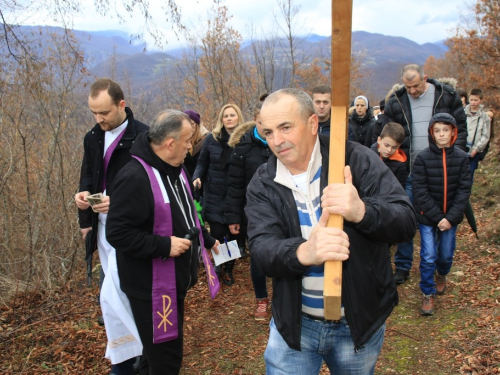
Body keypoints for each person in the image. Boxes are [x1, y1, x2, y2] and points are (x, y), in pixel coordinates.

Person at [245, 89, 416, 374]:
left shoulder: (354, 159)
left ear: (312, 123)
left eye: (286, 127)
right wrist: (304, 252)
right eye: (268, 132)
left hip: (358, 324)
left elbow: (406, 221)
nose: (277, 141)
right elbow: (261, 249)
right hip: (295, 327)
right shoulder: (263, 182)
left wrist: (362, 211)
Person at [106, 110, 220, 374]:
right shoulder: (135, 178)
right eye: (187, 141)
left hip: (173, 282)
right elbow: (118, 233)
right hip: (152, 289)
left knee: (154, 355)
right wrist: (163, 245)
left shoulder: (173, 169)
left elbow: (185, 212)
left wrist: (206, 238)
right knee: (166, 361)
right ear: (170, 144)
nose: (191, 147)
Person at [74, 78, 148, 375]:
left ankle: (141, 352)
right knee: (113, 291)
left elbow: (150, 187)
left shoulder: (143, 136)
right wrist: (83, 207)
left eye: (103, 112)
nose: (99, 119)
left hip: (131, 227)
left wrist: (117, 202)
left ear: (121, 104)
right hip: (100, 225)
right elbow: (87, 176)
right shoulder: (92, 136)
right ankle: (127, 353)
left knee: (123, 289)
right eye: (94, 113)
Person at [382, 64, 467, 285]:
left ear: (425, 79)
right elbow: (386, 129)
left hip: (443, 168)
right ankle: (403, 265)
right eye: (408, 86)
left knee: (439, 217)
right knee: (406, 218)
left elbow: (462, 127)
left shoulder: (445, 96)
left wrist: (459, 157)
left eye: (416, 86)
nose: (412, 91)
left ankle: (438, 265)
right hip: (408, 169)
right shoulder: (397, 101)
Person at [412, 113, 472, 315]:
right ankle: (427, 292)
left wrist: (450, 218)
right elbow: (420, 191)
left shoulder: (462, 158)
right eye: (437, 130)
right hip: (428, 217)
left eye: (445, 130)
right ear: (431, 133)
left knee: (445, 254)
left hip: (451, 217)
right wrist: (438, 218)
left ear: (453, 132)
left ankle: (442, 273)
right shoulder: (423, 158)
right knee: (428, 255)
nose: (441, 134)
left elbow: (464, 191)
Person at [225, 102, 272, 320]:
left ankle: (285, 298)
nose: (266, 126)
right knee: (257, 257)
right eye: (262, 121)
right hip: (252, 212)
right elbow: (234, 185)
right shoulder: (242, 149)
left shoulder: (282, 144)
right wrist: (233, 216)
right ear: (255, 120)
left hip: (282, 210)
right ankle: (261, 299)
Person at [193, 104, 245, 285]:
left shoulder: (244, 140)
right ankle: (219, 265)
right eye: (226, 116)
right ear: (221, 119)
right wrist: (197, 177)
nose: (229, 118)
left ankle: (229, 268)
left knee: (232, 236)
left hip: (235, 195)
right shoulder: (211, 139)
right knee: (217, 233)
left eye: (232, 115)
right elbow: (202, 162)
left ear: (238, 117)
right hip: (214, 194)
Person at [371, 122, 407, 189]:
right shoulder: (369, 155)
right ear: (379, 140)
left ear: (399, 146)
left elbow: (399, 190)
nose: (389, 150)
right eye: (386, 145)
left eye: (394, 147)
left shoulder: (400, 164)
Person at [465, 88, 491, 181]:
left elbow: (485, 135)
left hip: (474, 150)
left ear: (480, 100)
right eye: (471, 100)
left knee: (470, 173)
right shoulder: (463, 113)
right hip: (461, 149)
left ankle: (467, 194)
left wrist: (476, 149)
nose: (473, 102)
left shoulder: (484, 117)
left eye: (476, 100)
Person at [182, 109, 210, 178]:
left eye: (191, 123)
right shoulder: (179, 141)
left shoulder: (207, 140)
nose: (188, 126)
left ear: (197, 124)